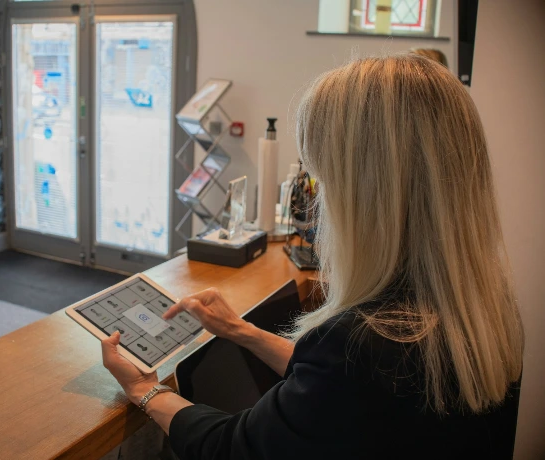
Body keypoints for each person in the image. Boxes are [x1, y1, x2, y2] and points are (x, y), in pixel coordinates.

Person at [101, 54, 523, 459]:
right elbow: (339, 390)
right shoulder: (484, 310)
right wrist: (241, 331)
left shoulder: (360, 344)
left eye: (320, 179)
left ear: (366, 194)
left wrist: (145, 391)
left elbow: (234, 448)